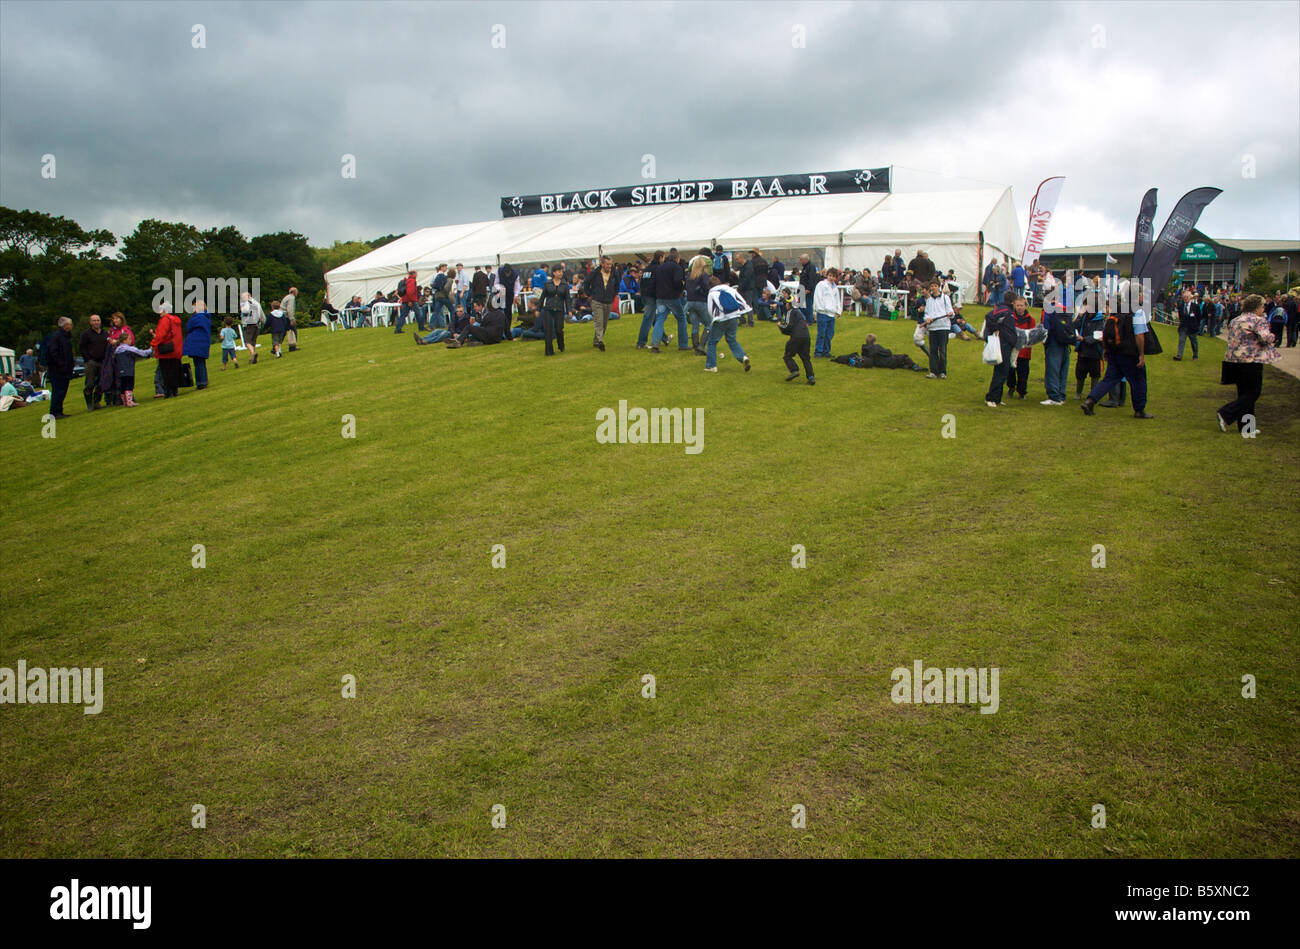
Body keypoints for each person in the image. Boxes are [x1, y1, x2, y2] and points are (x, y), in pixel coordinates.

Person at [1082, 286, 1154, 419]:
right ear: (1137, 296)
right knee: (1138, 380)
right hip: (1130, 353)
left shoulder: (1117, 309)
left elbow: (1108, 331)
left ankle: (1090, 400)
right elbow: (1139, 335)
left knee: (1109, 379)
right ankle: (1139, 409)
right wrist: (1141, 354)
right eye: (1141, 294)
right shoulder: (1137, 311)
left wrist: (1106, 349)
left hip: (1115, 351)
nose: (1143, 296)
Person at [1218, 293, 1279, 433]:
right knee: (1253, 392)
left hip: (1233, 360)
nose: (1263, 309)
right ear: (1257, 307)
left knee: (1244, 393)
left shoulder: (1235, 320)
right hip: (1251, 360)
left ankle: (1247, 427)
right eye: (1262, 306)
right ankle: (1226, 413)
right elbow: (1265, 338)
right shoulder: (1258, 320)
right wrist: (1272, 336)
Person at [703, 278, 751, 373]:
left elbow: (710, 309)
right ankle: (743, 357)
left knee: (712, 342)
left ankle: (711, 366)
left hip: (721, 319)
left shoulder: (711, 294)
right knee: (731, 339)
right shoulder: (730, 289)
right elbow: (740, 300)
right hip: (734, 317)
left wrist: (714, 318)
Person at [982, 292, 1020, 407]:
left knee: (1003, 372)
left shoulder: (1006, 310)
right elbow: (989, 317)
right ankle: (991, 398)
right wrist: (995, 328)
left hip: (1006, 344)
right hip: (1003, 344)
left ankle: (997, 398)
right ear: (1013, 302)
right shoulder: (1005, 310)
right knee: (1000, 372)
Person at [1040, 299, 1076, 405]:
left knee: (1052, 370)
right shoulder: (1064, 308)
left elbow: (1045, 327)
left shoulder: (1047, 310)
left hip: (1053, 341)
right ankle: (1061, 395)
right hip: (1065, 342)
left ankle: (1054, 397)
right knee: (1063, 370)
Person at [652, 249, 689, 353]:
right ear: (677, 259)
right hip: (672, 297)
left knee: (660, 319)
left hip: (660, 297)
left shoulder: (659, 267)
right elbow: (678, 281)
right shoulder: (677, 268)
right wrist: (681, 289)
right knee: (681, 318)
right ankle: (683, 344)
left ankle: (655, 343)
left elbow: (654, 282)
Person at [833, 333, 926, 371]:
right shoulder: (877, 347)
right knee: (904, 356)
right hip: (887, 362)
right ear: (874, 341)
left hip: (879, 364)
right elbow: (888, 353)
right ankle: (914, 366)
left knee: (898, 361)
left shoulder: (864, 350)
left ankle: (905, 366)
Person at [583, 255, 620, 351]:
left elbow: (617, 284)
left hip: (608, 300)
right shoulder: (595, 273)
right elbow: (586, 282)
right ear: (602, 264)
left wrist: (614, 294)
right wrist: (589, 294)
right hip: (597, 300)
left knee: (604, 323)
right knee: (599, 321)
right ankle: (600, 341)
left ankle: (596, 341)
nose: (609, 266)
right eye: (607, 264)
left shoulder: (614, 273)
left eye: (610, 264)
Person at [918, 280, 953, 378]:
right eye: (932, 286)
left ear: (939, 287)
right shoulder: (929, 300)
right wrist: (927, 319)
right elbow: (926, 314)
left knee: (942, 350)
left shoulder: (945, 298)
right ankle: (933, 371)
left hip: (943, 327)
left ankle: (942, 372)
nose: (933, 288)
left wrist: (950, 313)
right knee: (933, 350)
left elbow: (950, 311)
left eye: (935, 286)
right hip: (933, 328)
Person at [777, 296, 814, 384]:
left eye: (786, 303)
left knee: (787, 356)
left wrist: (780, 325)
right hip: (806, 336)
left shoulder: (790, 312)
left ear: (789, 304)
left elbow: (788, 327)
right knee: (806, 358)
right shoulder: (799, 312)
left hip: (796, 337)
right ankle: (811, 377)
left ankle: (794, 370)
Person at [151, 304, 184, 398]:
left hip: (166, 350)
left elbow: (161, 335)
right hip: (176, 349)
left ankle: (168, 392)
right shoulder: (175, 320)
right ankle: (174, 391)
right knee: (174, 371)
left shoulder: (165, 320)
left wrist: (153, 344)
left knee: (166, 372)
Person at [44, 317, 76, 418]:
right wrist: (61, 364)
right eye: (70, 324)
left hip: (64, 368)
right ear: (65, 325)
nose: (71, 326)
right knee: (58, 390)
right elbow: (54, 352)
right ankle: (55, 411)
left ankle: (58, 410)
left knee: (62, 390)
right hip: (57, 369)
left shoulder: (65, 336)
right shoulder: (57, 337)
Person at [1072, 300, 1104, 399]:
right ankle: (1078, 393)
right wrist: (1079, 316)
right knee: (1080, 372)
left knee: (1095, 374)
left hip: (1095, 351)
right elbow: (1074, 326)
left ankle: (1093, 394)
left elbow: (1098, 335)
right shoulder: (1084, 317)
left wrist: (1084, 339)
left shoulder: (1100, 319)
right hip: (1083, 350)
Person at [77, 313, 109, 411]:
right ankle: (89, 404)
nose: (96, 322)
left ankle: (96, 401)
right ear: (90, 322)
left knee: (101, 383)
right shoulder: (86, 334)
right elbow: (82, 348)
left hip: (103, 361)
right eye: (94, 320)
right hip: (92, 362)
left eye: (98, 320)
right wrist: (87, 359)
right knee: (90, 383)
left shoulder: (104, 333)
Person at [537, 266, 569, 356]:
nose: (561, 273)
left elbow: (567, 299)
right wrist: (538, 309)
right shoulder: (547, 284)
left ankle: (561, 344)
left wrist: (569, 310)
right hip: (548, 309)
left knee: (559, 329)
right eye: (559, 271)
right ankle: (549, 351)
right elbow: (542, 297)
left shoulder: (564, 284)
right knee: (548, 330)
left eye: (561, 271)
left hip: (559, 309)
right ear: (554, 273)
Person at [811, 267, 842, 358]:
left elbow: (837, 300)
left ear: (836, 277)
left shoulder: (835, 287)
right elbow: (818, 297)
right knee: (821, 333)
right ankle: (818, 351)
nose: (831, 278)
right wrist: (820, 309)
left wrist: (838, 310)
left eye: (833, 276)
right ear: (827, 275)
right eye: (830, 276)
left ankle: (826, 351)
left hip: (831, 313)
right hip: (823, 312)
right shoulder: (821, 284)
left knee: (829, 333)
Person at [113, 337, 152, 407]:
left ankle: (125, 402)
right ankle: (129, 401)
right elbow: (142, 353)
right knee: (129, 384)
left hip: (120, 370)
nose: (131, 341)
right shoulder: (129, 348)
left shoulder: (117, 350)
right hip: (128, 369)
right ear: (124, 340)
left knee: (123, 386)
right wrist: (151, 349)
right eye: (129, 339)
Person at [685, 256, 711, 355]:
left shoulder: (689, 275)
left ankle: (696, 346)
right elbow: (705, 287)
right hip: (700, 301)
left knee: (695, 325)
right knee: (709, 324)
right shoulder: (703, 275)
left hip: (690, 301)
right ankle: (701, 346)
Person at [183, 303, 213, 389]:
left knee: (198, 364)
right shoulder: (206, 317)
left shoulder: (197, 318)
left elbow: (188, 326)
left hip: (196, 343)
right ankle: (203, 381)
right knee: (201, 363)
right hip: (203, 342)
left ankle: (201, 382)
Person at [636, 251, 662, 350]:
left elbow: (641, 282)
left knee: (653, 318)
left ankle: (664, 338)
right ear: (660, 258)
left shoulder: (646, 269)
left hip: (645, 295)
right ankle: (641, 342)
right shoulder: (657, 269)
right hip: (651, 296)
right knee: (647, 319)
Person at [239, 291, 265, 363]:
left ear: (248, 296)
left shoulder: (247, 303)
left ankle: (253, 354)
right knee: (253, 341)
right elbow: (261, 313)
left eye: (243, 297)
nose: (242, 299)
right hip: (256, 324)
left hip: (249, 324)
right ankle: (252, 358)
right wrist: (263, 322)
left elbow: (246, 310)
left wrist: (242, 308)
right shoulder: (257, 303)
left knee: (247, 342)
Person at [1174, 289, 1200, 360]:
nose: (1185, 298)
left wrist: (1197, 326)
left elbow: (1198, 317)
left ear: (1190, 298)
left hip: (1192, 328)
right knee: (1181, 341)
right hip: (1183, 327)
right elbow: (1180, 316)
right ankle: (1179, 355)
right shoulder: (1181, 306)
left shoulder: (1195, 306)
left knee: (1193, 342)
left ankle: (1195, 355)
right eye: (1184, 297)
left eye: (1187, 297)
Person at [395, 270, 421, 334]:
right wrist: (410, 301)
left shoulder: (406, 280)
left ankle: (398, 329)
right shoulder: (412, 281)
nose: (417, 275)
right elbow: (410, 292)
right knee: (419, 313)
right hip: (411, 300)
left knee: (403, 315)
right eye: (416, 274)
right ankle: (421, 327)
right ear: (414, 274)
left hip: (405, 300)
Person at [798, 254, 819, 321]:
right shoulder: (805, 267)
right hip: (802, 289)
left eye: (801, 259)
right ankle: (804, 318)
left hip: (808, 290)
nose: (800, 261)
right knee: (801, 305)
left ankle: (810, 320)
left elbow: (812, 279)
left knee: (808, 305)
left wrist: (808, 289)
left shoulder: (811, 267)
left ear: (805, 260)